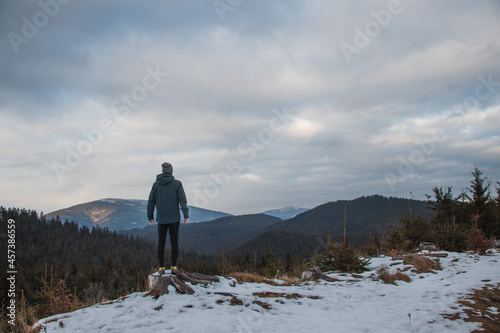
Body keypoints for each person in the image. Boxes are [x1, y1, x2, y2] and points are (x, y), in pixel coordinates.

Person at [147, 162, 189, 275]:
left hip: (161, 219)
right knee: (174, 242)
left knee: (161, 242)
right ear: (171, 171)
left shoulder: (156, 185)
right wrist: (186, 214)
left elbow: (151, 201)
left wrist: (150, 215)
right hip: (174, 218)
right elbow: (182, 201)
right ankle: (173, 267)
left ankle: (161, 268)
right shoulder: (177, 184)